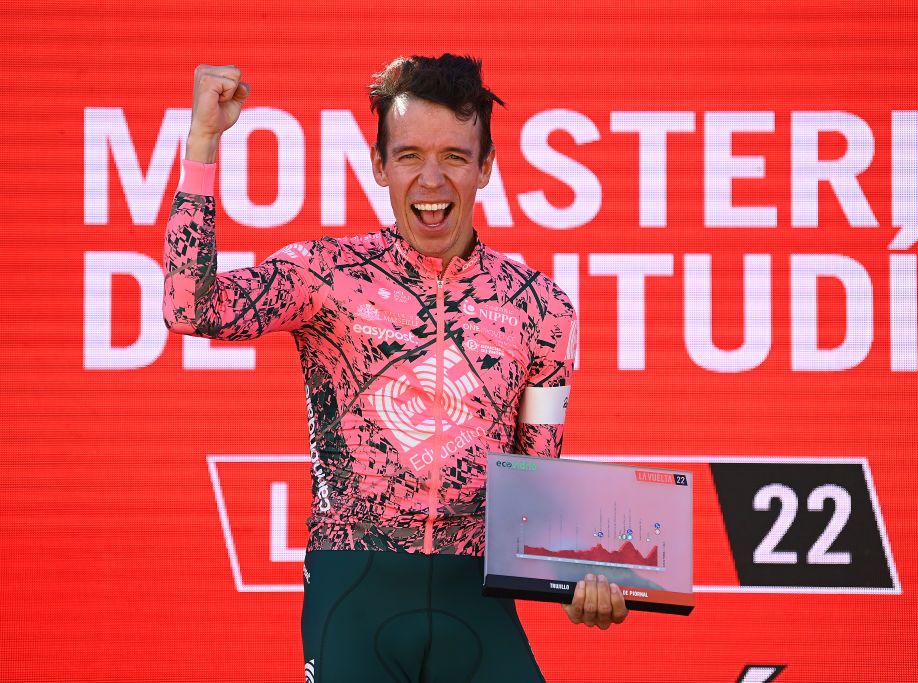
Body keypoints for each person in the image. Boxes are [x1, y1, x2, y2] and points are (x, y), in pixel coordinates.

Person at [164, 55, 627, 682]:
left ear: (486, 166)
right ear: (379, 166)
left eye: (456, 157)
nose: (431, 180)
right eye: (409, 155)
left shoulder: (541, 308)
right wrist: (202, 142)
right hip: (353, 596)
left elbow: (535, 490)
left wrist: (580, 580)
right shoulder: (328, 276)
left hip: (476, 608)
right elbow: (191, 309)